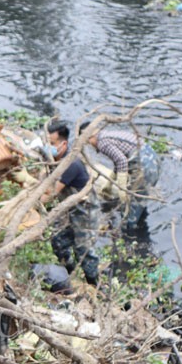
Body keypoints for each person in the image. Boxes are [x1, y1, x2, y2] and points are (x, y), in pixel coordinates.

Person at [40, 123, 100, 286]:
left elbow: (51, 194)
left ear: (64, 144)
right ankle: (69, 274)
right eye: (47, 143)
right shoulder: (54, 158)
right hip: (68, 209)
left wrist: (31, 198)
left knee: (84, 249)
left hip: (84, 211)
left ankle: (93, 284)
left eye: (52, 144)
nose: (49, 147)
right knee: (58, 240)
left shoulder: (71, 164)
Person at [79, 122, 160, 231]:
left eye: (88, 142)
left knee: (129, 211)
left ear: (91, 137)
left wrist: (122, 189)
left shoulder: (102, 143)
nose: (90, 145)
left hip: (144, 166)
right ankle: (141, 223)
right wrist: (110, 182)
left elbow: (121, 161)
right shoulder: (108, 135)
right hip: (153, 160)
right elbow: (119, 161)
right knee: (140, 200)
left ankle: (131, 236)